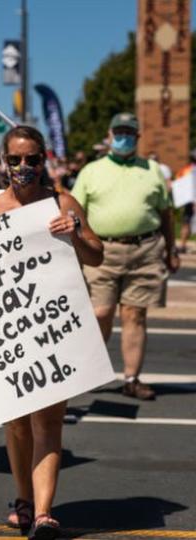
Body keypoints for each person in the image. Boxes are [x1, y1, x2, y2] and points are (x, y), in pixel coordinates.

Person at [0, 125, 102, 539]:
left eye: (32, 159)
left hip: (52, 328)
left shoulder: (62, 203)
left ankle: (44, 513)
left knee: (49, 422)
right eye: (15, 159)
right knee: (16, 424)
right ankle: (24, 498)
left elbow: (96, 254)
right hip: (8, 333)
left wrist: (75, 233)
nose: (23, 167)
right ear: (3, 162)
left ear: (44, 159)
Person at [71, 113, 180, 400]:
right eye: (118, 132)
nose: (123, 137)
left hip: (145, 250)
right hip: (101, 251)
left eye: (129, 132)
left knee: (135, 314)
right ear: (109, 135)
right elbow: (75, 213)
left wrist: (172, 249)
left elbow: (166, 213)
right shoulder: (91, 171)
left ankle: (131, 378)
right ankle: (88, 372)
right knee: (100, 313)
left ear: (138, 137)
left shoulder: (153, 170)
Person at [175, 149, 195, 253]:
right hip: (191, 201)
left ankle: (182, 245)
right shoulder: (188, 170)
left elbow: (178, 183)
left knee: (186, 223)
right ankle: (182, 245)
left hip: (188, 201)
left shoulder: (186, 170)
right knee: (186, 224)